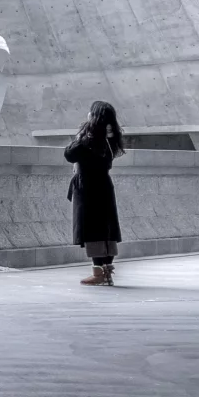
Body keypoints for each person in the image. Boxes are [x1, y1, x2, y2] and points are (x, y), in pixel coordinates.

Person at [64, 100, 125, 285]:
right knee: (106, 230)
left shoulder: (90, 138)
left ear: (95, 116)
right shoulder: (109, 138)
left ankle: (99, 274)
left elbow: (69, 154)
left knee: (92, 230)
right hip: (104, 186)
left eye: (90, 113)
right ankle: (106, 272)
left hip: (88, 187)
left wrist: (83, 131)